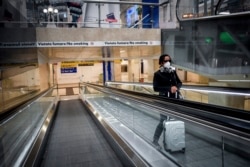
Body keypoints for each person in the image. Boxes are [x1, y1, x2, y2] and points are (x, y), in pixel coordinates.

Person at [152, 54, 182, 149]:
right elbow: (156, 88)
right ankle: (155, 140)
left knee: (174, 120)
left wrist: (176, 87)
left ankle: (172, 141)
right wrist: (169, 88)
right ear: (161, 62)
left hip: (175, 100)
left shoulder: (172, 72)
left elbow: (180, 82)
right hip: (164, 100)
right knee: (163, 120)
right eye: (165, 61)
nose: (168, 62)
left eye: (169, 60)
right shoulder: (157, 74)